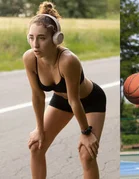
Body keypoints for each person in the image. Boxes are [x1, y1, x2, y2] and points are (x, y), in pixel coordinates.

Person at [24, 1, 106, 179]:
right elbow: (37, 96)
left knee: (87, 155)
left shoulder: (68, 61)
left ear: (56, 38)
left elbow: (74, 100)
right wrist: (39, 129)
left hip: (90, 101)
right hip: (62, 100)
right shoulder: (30, 58)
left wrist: (86, 133)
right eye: (31, 37)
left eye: (42, 38)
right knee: (36, 146)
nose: (35, 44)